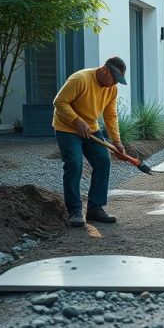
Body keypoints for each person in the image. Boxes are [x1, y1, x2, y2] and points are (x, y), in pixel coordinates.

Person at [52, 57, 127, 227]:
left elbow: (110, 115)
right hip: (67, 128)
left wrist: (116, 141)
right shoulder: (80, 79)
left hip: (91, 129)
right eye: (114, 78)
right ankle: (74, 211)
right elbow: (59, 102)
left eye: (118, 81)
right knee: (74, 164)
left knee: (103, 162)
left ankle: (95, 208)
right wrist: (76, 121)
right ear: (104, 70)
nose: (115, 83)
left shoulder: (111, 89)